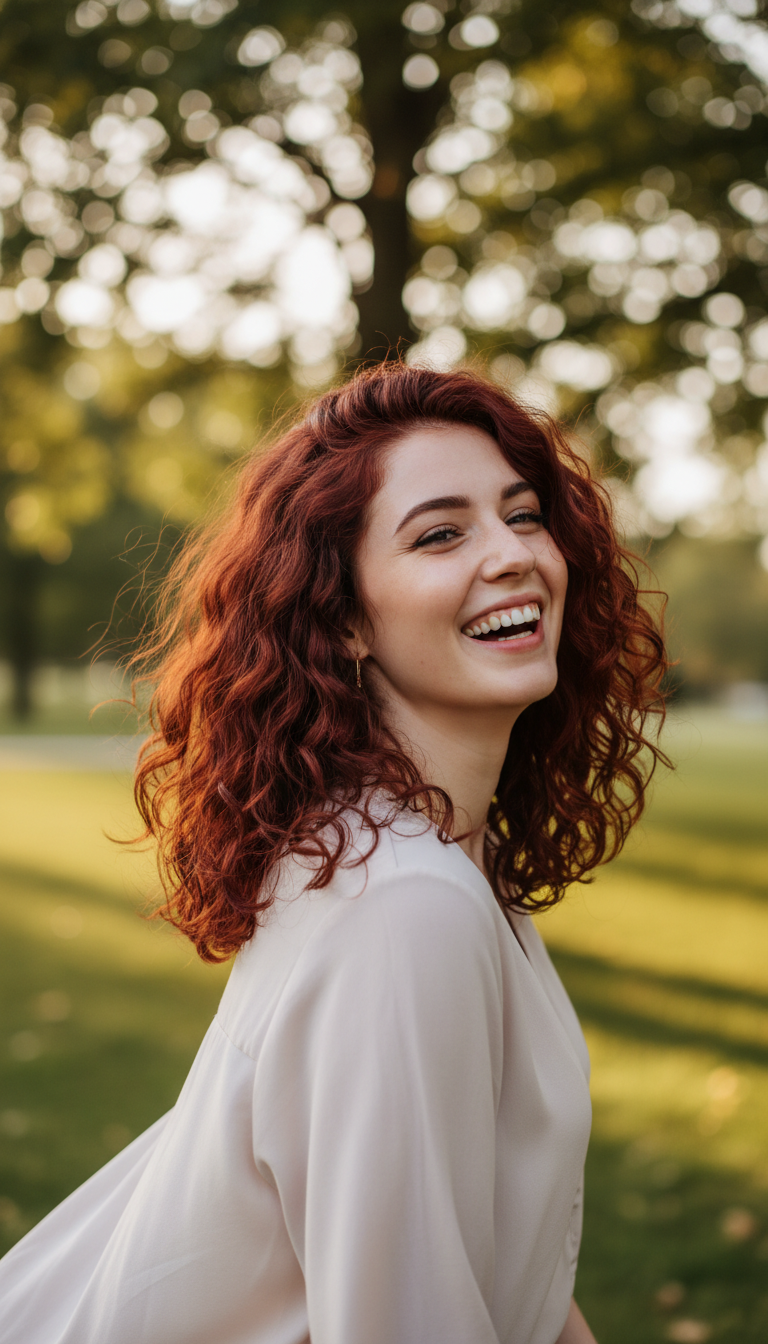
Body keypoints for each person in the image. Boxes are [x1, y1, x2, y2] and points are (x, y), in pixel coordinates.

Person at [0, 362, 668, 1344]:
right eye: (442, 533)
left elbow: (506, 1262)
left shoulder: (445, 855)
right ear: (345, 619)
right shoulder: (399, 904)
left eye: (523, 516)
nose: (514, 554)